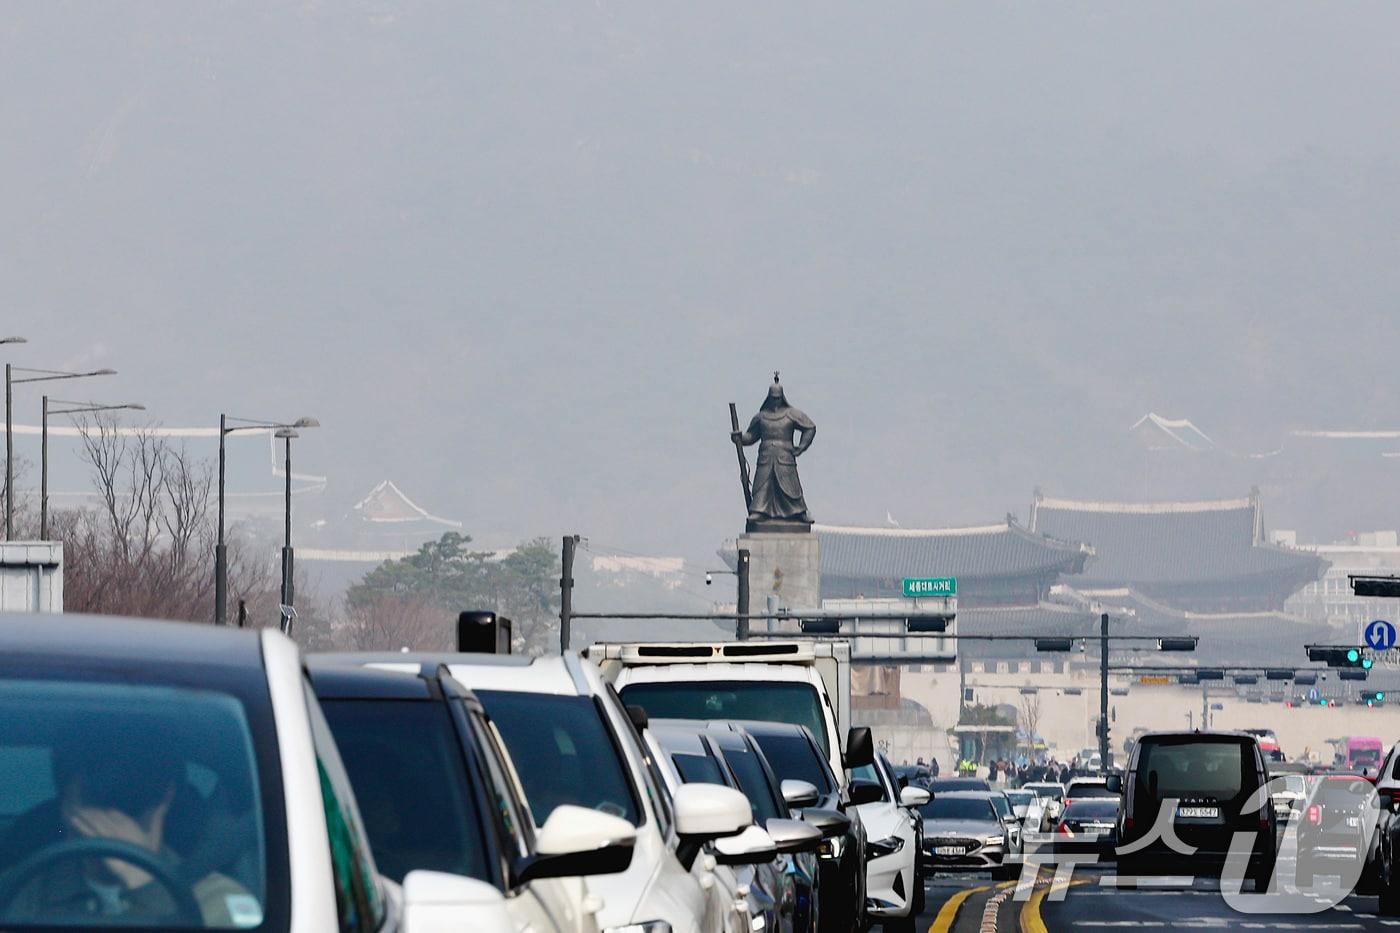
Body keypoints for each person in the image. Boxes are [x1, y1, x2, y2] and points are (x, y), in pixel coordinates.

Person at [0, 737, 258, 926]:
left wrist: (148, 886)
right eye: (96, 792)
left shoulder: (215, 900)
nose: (114, 809)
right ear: (65, 799)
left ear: (166, 795)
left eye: (131, 792)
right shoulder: (17, 895)